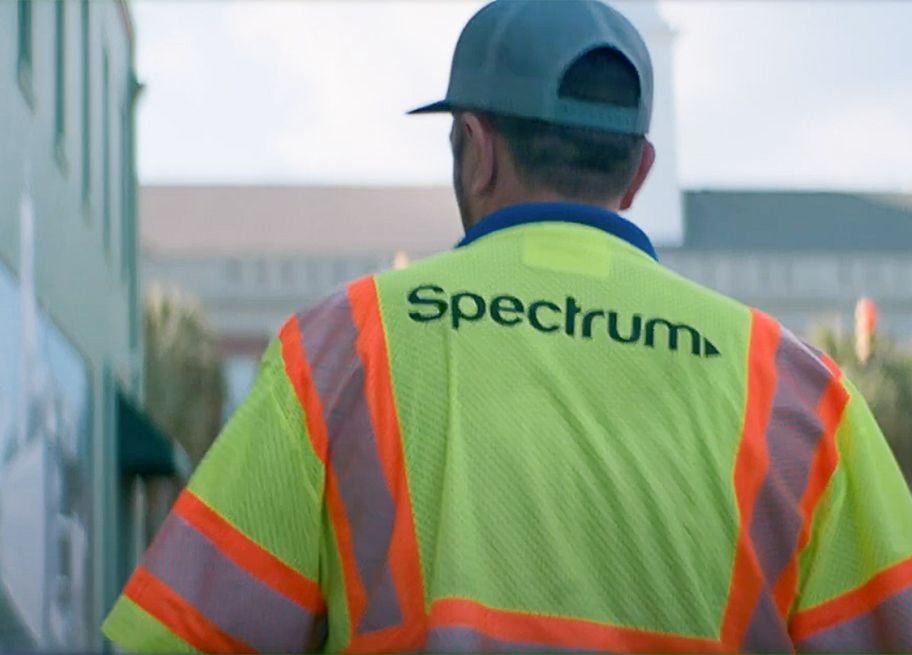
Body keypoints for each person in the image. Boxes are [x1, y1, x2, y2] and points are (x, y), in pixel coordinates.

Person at [101, 0, 912, 652]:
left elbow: (178, 635)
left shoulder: (346, 348)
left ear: (476, 149)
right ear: (636, 173)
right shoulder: (801, 395)